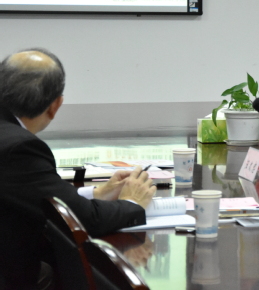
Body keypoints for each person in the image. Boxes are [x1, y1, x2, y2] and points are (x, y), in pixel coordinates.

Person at [0, 48, 156, 288]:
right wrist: (132, 202)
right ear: (55, 105)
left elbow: (36, 191)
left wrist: (96, 193)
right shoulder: (19, 147)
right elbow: (86, 221)